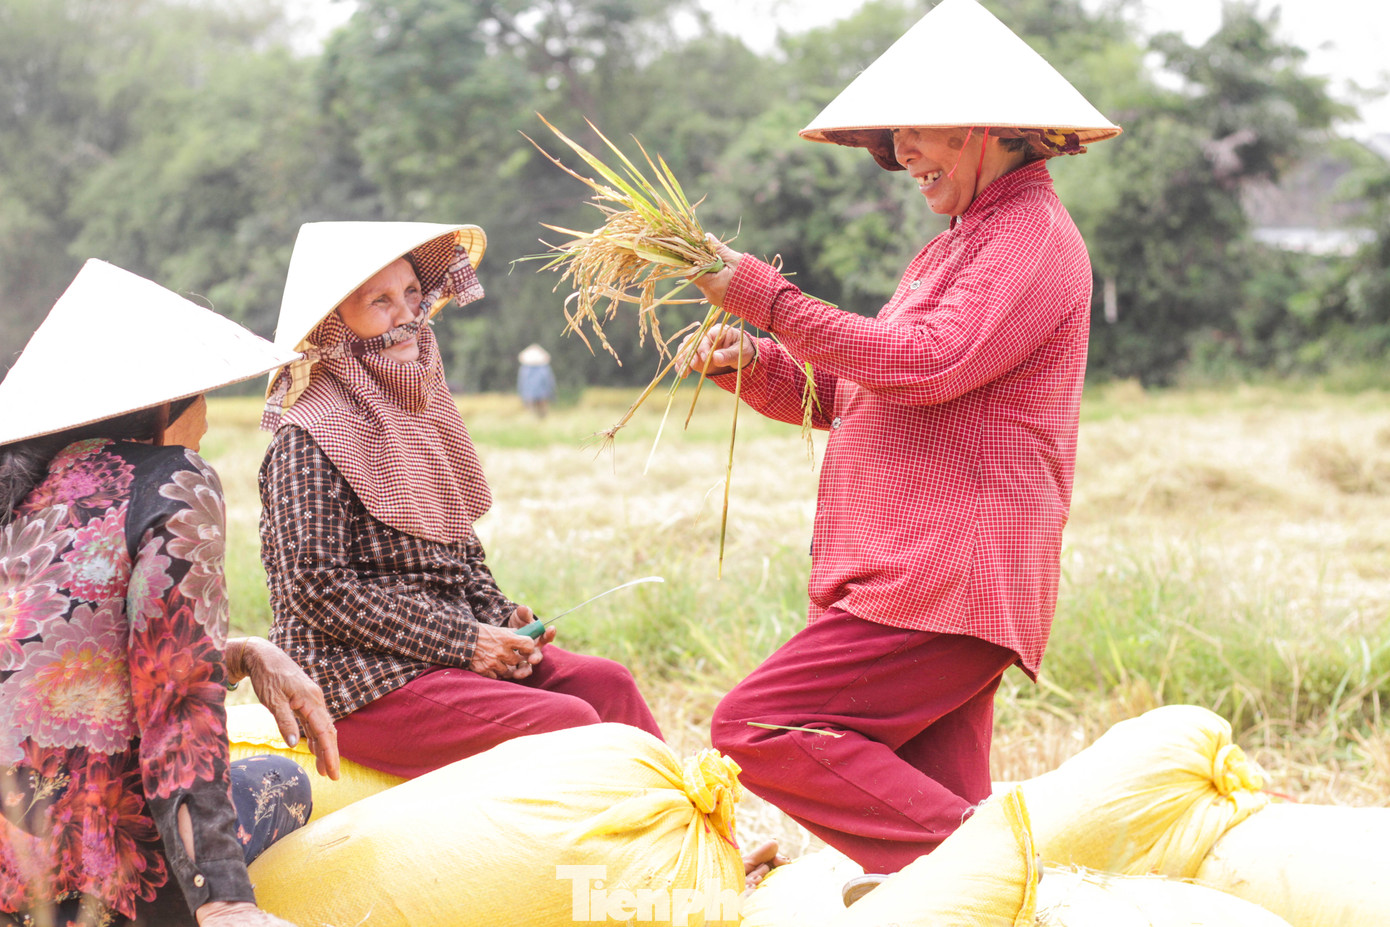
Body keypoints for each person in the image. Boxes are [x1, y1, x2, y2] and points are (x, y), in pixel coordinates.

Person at [679, 0, 1123, 891]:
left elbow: (927, 363)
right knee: (932, 844)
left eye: (917, 131)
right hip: (914, 573)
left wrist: (763, 297)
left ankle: (1032, 890)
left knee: (761, 725)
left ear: (985, 129)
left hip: (941, 575)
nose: (903, 152)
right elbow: (857, 388)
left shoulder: (1030, 238)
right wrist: (754, 362)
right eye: (897, 134)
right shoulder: (952, 247)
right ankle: (994, 895)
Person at [0, 260, 340, 927]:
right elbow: (175, 702)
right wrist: (225, 899)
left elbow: (57, 645)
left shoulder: (18, 490)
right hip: (95, 877)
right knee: (283, 783)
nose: (207, 419)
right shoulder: (171, 482)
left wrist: (239, 653)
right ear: (162, 405)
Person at [257, 222, 662, 780]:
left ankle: (707, 842)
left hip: (440, 658)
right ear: (331, 325)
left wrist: (503, 622)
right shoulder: (308, 438)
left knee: (607, 683)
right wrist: (467, 640)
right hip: (357, 679)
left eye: (412, 295)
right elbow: (317, 590)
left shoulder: (418, 414)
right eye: (379, 302)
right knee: (569, 721)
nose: (406, 316)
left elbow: (456, 554)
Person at [517, 343, 557, 417]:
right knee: (542, 413)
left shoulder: (524, 369)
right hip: (543, 394)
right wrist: (552, 393)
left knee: (532, 413)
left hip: (529, 394)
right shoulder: (545, 368)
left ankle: (535, 426)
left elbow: (521, 383)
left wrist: (521, 395)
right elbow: (550, 381)